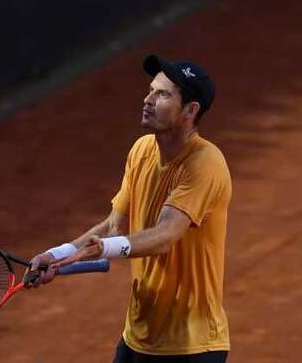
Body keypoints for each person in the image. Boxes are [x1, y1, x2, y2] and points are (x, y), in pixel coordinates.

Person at [26, 55, 232, 362]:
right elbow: (113, 226)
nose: (147, 100)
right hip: (138, 337)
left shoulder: (206, 164)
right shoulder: (142, 150)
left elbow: (165, 235)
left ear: (190, 110)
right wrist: (56, 256)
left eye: (162, 94)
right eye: (150, 90)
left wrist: (104, 249)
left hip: (193, 344)